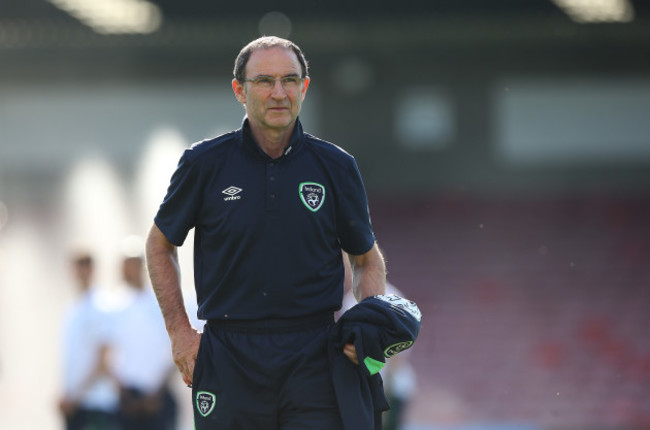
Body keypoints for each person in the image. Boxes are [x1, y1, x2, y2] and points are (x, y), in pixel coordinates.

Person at [145, 36, 386, 430]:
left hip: (315, 354)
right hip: (229, 352)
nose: (279, 93)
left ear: (304, 88)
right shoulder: (203, 163)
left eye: (290, 80)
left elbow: (366, 259)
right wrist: (179, 333)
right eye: (264, 81)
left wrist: (368, 322)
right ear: (239, 90)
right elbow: (159, 246)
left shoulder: (336, 167)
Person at [110, 248, 178, 430]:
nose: (124, 271)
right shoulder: (114, 306)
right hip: (128, 400)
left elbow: (173, 346)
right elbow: (108, 353)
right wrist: (124, 394)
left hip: (159, 397)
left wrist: (158, 392)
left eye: (129, 266)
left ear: (141, 266)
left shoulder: (160, 302)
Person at [59, 251, 120, 430]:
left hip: (97, 403)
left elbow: (103, 361)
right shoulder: (74, 309)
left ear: (92, 270)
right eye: (77, 267)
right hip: (76, 403)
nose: (80, 272)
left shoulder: (102, 306)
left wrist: (74, 396)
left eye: (84, 267)